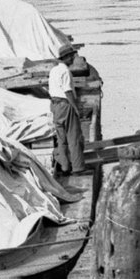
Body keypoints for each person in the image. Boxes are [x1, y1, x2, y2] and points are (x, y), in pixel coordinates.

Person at [47, 41, 85, 179]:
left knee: (61, 138)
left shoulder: (53, 70)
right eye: (72, 56)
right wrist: (76, 108)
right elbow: (68, 91)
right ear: (68, 58)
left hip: (55, 106)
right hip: (65, 105)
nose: (74, 58)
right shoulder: (66, 71)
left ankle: (64, 166)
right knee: (74, 137)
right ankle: (78, 167)